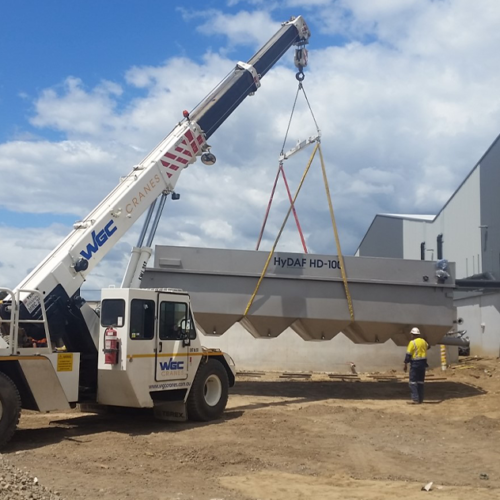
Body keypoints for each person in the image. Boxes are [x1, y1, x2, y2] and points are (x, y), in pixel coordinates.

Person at [403, 327, 429, 404]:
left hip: (415, 364)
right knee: (420, 382)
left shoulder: (412, 342)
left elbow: (408, 355)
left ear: (412, 334)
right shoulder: (423, 341)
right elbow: (428, 346)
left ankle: (415, 399)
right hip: (423, 364)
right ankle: (420, 399)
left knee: (413, 382)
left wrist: (405, 364)